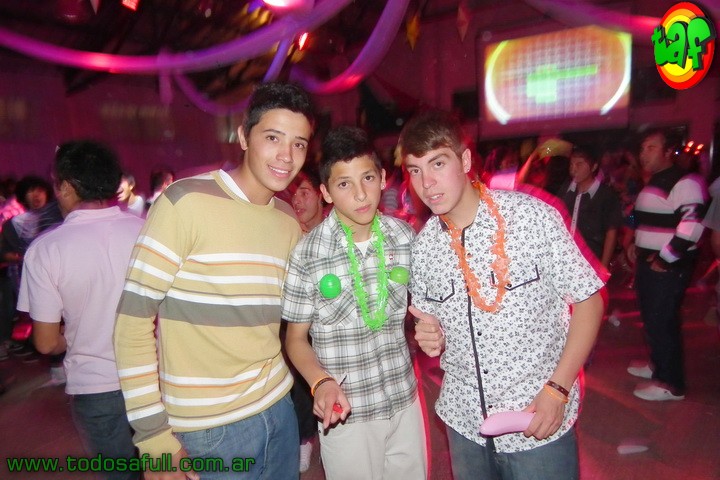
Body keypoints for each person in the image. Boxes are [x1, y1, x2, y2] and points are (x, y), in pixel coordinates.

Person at [114, 81, 315, 480]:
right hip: (208, 428)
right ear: (243, 137)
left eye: (299, 144)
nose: (286, 156)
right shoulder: (185, 202)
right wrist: (153, 438)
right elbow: (131, 324)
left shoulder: (288, 220)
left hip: (279, 406)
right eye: (272, 138)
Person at [400, 111, 604, 480]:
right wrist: (432, 336)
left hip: (536, 419)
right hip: (465, 426)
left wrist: (558, 389)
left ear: (465, 161)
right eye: (415, 170)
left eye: (438, 163)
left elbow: (589, 300)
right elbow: (433, 330)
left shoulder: (531, 218)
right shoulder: (424, 248)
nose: (426, 183)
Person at [282, 126, 427, 480]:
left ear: (382, 178)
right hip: (347, 413)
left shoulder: (404, 238)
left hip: (404, 400)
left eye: (367, 178)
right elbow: (295, 338)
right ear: (326, 192)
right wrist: (320, 383)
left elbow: (425, 309)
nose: (361, 194)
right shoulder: (308, 254)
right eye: (344, 184)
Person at [17, 141, 142, 480]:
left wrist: (74, 335)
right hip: (155, 378)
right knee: (164, 467)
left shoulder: (46, 250)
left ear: (67, 187)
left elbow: (46, 343)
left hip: (95, 386)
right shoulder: (146, 231)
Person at [627, 129, 707, 401]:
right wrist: (635, 241)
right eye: (642, 148)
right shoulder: (656, 180)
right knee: (652, 318)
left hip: (667, 266)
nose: (643, 154)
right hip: (650, 262)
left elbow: (693, 224)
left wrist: (666, 257)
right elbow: (643, 216)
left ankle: (671, 384)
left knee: (662, 320)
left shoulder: (684, 181)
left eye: (651, 147)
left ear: (668, 152)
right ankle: (659, 366)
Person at [285, 166, 325, 472]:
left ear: (322, 195)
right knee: (299, 381)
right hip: (297, 321)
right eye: (294, 194)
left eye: (305, 192)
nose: (298, 201)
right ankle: (304, 437)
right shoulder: (287, 232)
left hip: (329, 321)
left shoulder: (335, 232)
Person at [561, 147, 623, 269]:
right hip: (564, 258)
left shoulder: (605, 195)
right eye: (571, 164)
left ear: (593, 167)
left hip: (590, 260)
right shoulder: (566, 190)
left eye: (579, 164)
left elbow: (611, 232)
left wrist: (603, 266)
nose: (573, 169)